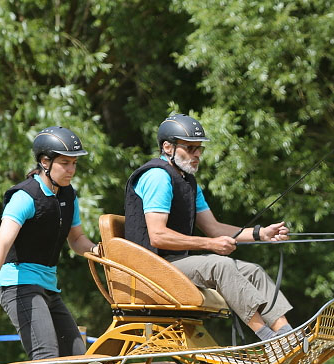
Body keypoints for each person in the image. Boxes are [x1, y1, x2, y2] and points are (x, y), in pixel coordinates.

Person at [124, 114, 293, 340]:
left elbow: (214, 228)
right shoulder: (157, 177)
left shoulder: (187, 182)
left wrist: (260, 233)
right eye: (191, 148)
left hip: (173, 263)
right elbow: (158, 235)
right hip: (151, 267)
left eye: (199, 149)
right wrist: (210, 245)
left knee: (254, 272)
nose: (197, 155)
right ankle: (267, 338)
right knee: (220, 266)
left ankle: (288, 335)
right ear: (167, 147)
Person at [0, 126, 98, 360]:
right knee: (47, 356)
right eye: (65, 163)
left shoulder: (69, 196)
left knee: (78, 356)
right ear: (45, 162)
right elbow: (1, 245)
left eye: (74, 164)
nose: (71, 170)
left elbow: (77, 240)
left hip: (48, 285)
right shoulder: (24, 197)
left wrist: (98, 251)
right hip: (17, 284)